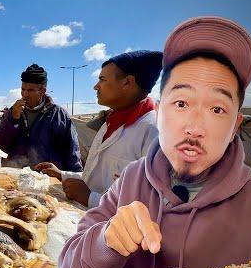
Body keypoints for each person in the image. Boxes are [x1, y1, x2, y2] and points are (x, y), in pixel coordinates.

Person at [58, 16, 251, 268]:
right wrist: (106, 241)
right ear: (162, 110)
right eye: (181, 103)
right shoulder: (130, 183)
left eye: (217, 109)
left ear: (235, 125)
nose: (194, 127)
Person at [35, 51, 162, 208]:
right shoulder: (110, 123)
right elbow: (95, 177)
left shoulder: (155, 133)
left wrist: (92, 198)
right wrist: (62, 174)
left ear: (128, 82)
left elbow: (154, 206)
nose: (95, 86)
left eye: (102, 79)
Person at [0, 64, 82, 170]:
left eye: (30, 90)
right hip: (16, 175)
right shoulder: (13, 112)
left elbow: (72, 152)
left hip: (46, 178)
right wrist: (13, 120)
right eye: (23, 89)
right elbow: (0, 144)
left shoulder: (59, 115)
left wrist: (75, 177)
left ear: (42, 91)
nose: (24, 94)